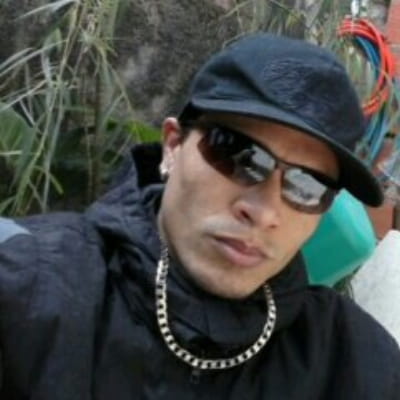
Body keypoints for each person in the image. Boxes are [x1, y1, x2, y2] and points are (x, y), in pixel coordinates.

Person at [0, 33, 399, 399]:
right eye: (240, 156)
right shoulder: (26, 290)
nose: (264, 212)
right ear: (173, 146)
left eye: (307, 185)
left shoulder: (351, 360)